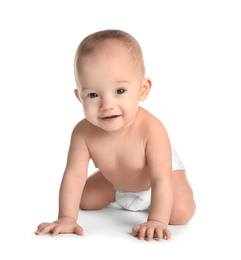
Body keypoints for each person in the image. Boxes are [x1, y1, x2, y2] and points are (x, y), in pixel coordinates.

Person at [35, 29, 196, 242]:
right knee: (85, 200)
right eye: (93, 95)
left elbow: (160, 178)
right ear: (79, 97)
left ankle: (151, 204)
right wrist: (66, 217)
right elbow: (74, 176)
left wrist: (157, 220)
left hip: (162, 178)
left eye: (119, 91)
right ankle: (117, 188)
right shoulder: (83, 133)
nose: (106, 105)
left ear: (143, 89)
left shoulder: (152, 129)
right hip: (118, 179)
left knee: (180, 213)